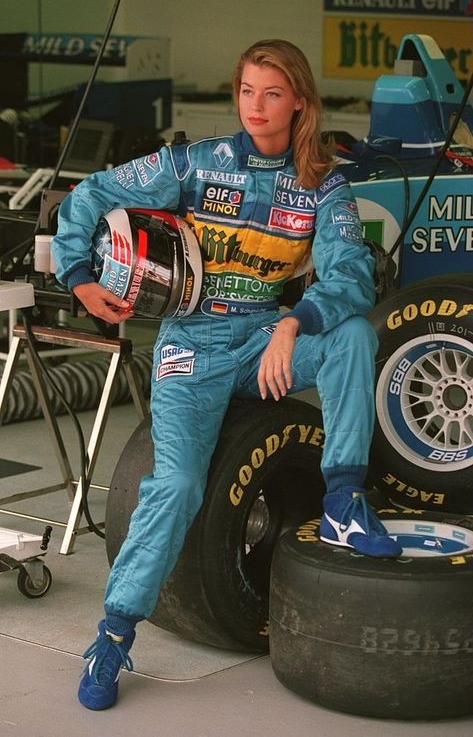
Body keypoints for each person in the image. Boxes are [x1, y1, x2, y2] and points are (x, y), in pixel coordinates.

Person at [52, 38, 402, 711]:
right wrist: (78, 277)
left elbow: (353, 277)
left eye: (271, 93)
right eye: (246, 91)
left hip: (267, 341)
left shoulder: (323, 182)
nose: (256, 107)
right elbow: (94, 190)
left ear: (298, 99)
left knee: (354, 334)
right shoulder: (196, 162)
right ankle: (113, 633)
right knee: (178, 483)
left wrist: (293, 321)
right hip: (192, 347)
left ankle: (342, 504)